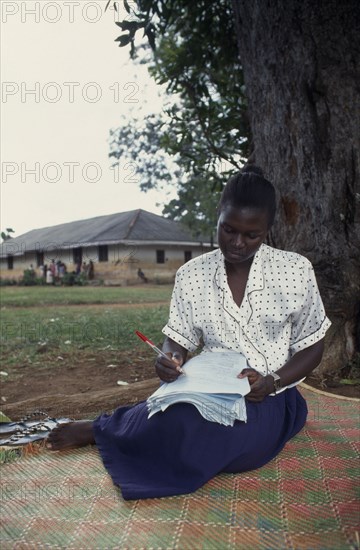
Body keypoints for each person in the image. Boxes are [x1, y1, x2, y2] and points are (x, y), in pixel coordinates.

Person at [47, 166, 331, 501]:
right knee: (170, 413)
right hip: (206, 388)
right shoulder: (192, 274)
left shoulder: (294, 270)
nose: (237, 243)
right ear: (218, 216)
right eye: (228, 229)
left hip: (269, 396)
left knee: (212, 437)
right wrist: (171, 357)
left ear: (268, 229)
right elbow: (177, 340)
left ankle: (112, 431)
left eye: (251, 235)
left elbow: (313, 346)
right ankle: (101, 428)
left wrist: (273, 381)